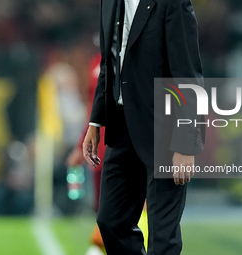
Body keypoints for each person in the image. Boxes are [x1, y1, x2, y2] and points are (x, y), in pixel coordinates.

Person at [82, 0, 205, 254]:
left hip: (165, 132)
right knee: (110, 222)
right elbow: (109, 64)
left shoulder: (172, 3)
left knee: (162, 237)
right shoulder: (109, 2)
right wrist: (96, 122)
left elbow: (188, 74)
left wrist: (186, 143)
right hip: (121, 128)